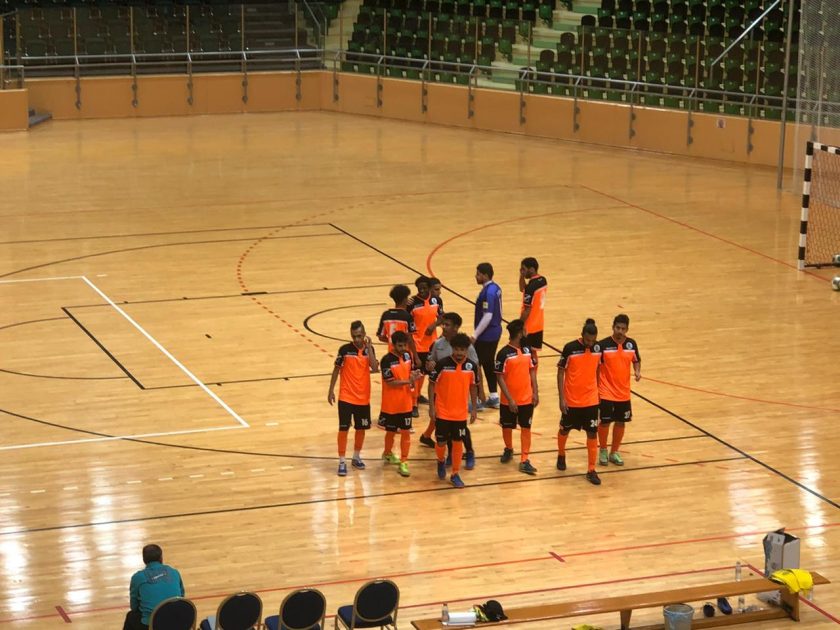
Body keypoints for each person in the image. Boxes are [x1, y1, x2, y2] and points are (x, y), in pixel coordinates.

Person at [419, 312, 484, 470]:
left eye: (447, 325)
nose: (443, 327)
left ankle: (469, 451)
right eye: (443, 324)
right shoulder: (438, 344)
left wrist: (481, 390)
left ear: (456, 327)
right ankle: (449, 455)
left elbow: (476, 367)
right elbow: (431, 362)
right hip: (442, 393)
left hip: (459, 392)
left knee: (461, 428)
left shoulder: (467, 346)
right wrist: (429, 365)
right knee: (446, 427)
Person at [328, 320, 378, 476]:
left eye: (359, 336)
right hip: (346, 397)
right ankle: (342, 461)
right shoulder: (344, 350)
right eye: (354, 336)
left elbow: (375, 367)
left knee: (361, 428)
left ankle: (356, 457)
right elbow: (336, 370)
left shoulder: (369, 349)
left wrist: (369, 348)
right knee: (343, 428)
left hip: (363, 398)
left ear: (364, 334)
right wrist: (331, 390)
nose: (356, 339)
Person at [428, 333, 479, 488]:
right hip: (442, 411)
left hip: (460, 414)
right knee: (441, 442)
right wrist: (431, 407)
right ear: (452, 349)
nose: (459, 353)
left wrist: (474, 408)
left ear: (467, 350)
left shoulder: (471, 367)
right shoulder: (442, 364)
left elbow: (473, 387)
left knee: (458, 443)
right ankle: (441, 461)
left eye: (462, 350)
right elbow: (431, 384)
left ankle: (455, 474)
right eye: (456, 349)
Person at [556, 318, 603, 485]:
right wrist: (561, 398)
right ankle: (561, 454)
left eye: (593, 340)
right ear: (582, 335)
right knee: (564, 431)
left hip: (591, 401)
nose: (590, 344)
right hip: (572, 401)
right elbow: (560, 372)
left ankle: (591, 469)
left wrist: (599, 392)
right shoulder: (570, 348)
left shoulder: (598, 349)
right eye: (587, 340)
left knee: (592, 433)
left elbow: (598, 369)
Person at [494, 319, 539, 475]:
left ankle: (524, 459)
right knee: (507, 426)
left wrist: (535, 391)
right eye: (524, 330)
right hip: (508, 401)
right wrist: (510, 399)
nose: (526, 332)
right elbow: (499, 377)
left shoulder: (527, 350)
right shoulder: (503, 354)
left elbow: (532, 371)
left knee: (526, 427)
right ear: (520, 333)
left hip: (526, 399)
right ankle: (509, 448)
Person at [596, 313, 641, 466]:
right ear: (613, 327)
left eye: (623, 329)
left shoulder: (631, 344)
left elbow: (636, 360)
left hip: (623, 393)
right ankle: (603, 449)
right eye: (617, 328)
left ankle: (614, 452)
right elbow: (595, 365)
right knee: (605, 422)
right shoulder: (603, 345)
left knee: (621, 422)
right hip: (606, 391)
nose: (620, 331)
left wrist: (637, 371)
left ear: (627, 329)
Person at [379, 331, 422, 477]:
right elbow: (390, 383)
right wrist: (409, 381)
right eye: (400, 346)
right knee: (390, 432)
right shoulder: (386, 360)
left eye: (405, 345)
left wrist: (414, 376)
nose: (403, 348)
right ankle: (387, 453)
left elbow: (409, 373)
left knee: (405, 432)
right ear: (393, 345)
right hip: (391, 404)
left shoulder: (408, 356)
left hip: (406, 403)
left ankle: (404, 461)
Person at [123, 544, 185, 630]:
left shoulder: (137, 577)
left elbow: (134, 607)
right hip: (178, 622)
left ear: (144, 560)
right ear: (161, 558)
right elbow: (182, 596)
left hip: (153, 625)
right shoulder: (174, 572)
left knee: (131, 616)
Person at [408, 275, 444, 416]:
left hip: (432, 345)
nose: (422, 290)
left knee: (431, 373)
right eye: (419, 288)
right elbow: (405, 320)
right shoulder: (412, 303)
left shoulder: (437, 300)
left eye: (424, 288)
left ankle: (421, 396)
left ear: (429, 288)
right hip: (417, 345)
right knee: (417, 374)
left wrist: (434, 325)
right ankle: (413, 404)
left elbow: (441, 317)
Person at [472, 262, 503, 410]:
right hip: (495, 331)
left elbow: (488, 316)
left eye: (478, 274)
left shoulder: (487, 293)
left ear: (485, 275)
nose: (476, 276)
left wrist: (475, 334)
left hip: (486, 334)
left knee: (476, 364)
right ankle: (494, 396)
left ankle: (479, 400)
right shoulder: (496, 287)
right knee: (489, 363)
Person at [519, 257, 547, 363]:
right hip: (539, 323)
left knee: (525, 353)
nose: (522, 271)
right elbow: (522, 289)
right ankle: (534, 372)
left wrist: (519, 325)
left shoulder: (531, 288)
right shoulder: (543, 280)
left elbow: (527, 310)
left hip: (528, 326)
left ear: (531, 269)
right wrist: (522, 275)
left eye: (523, 269)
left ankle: (528, 372)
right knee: (534, 352)